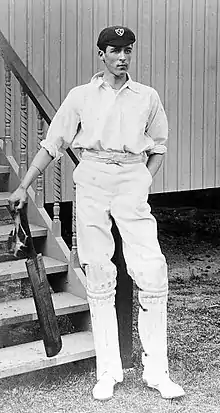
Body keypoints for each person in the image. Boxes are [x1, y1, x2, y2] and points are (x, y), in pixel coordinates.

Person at [9, 26, 185, 401]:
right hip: (92, 178)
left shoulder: (147, 97)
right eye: (114, 50)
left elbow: (159, 146)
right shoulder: (81, 97)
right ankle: (109, 372)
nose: (122, 57)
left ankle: (158, 372)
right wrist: (24, 185)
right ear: (101, 54)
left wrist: (142, 182)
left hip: (131, 179)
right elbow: (51, 145)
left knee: (152, 271)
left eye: (127, 50)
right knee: (99, 272)